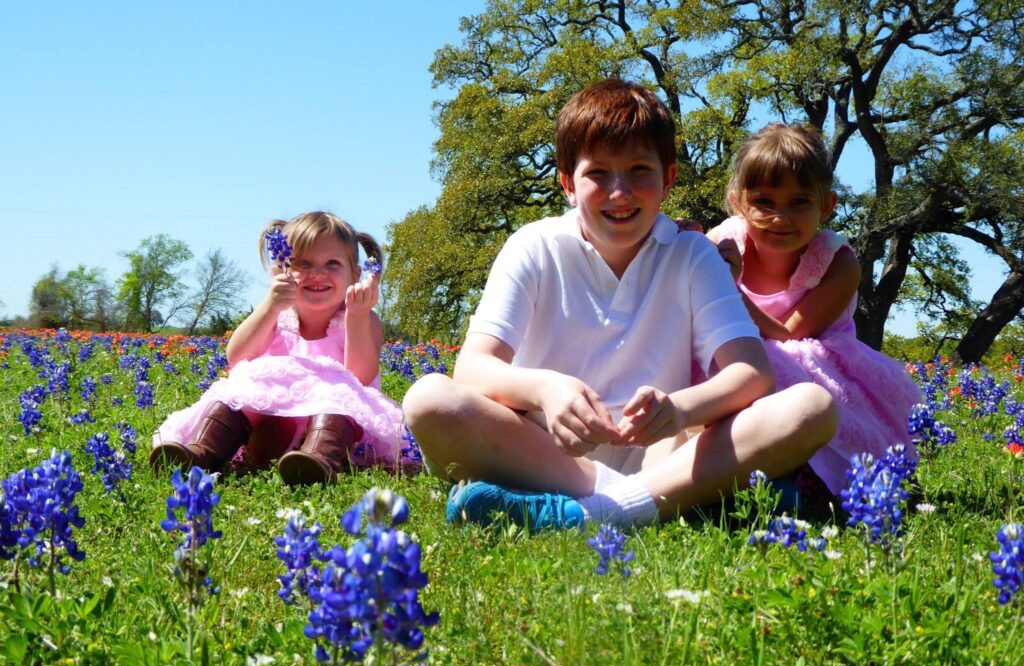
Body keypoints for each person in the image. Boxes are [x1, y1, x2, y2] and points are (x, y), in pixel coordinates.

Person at [402, 79, 838, 530]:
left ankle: (587, 514)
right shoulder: (532, 246)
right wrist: (547, 390)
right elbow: (473, 369)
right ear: (568, 184)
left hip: (662, 455)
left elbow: (751, 373)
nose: (620, 191)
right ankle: (671, 503)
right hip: (541, 451)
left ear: (667, 179)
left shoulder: (693, 255)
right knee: (428, 400)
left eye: (638, 170)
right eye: (598, 174)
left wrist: (679, 410)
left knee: (812, 406)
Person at [705, 123, 923, 499]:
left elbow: (791, 333)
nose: (781, 217)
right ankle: (721, 466)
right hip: (737, 356)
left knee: (772, 361)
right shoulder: (724, 243)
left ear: (828, 205)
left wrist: (729, 291)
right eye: (764, 202)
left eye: (799, 202)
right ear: (739, 202)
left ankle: (802, 475)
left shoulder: (838, 262)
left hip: (816, 366)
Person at [150, 211, 419, 484]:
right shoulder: (278, 314)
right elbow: (237, 357)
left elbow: (360, 379)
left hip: (334, 432)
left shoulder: (360, 317)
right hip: (269, 430)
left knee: (339, 395)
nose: (317, 273)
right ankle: (201, 454)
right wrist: (270, 306)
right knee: (241, 389)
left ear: (355, 276)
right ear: (281, 270)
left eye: (332, 263)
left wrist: (358, 316)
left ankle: (317, 463)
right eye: (303, 263)